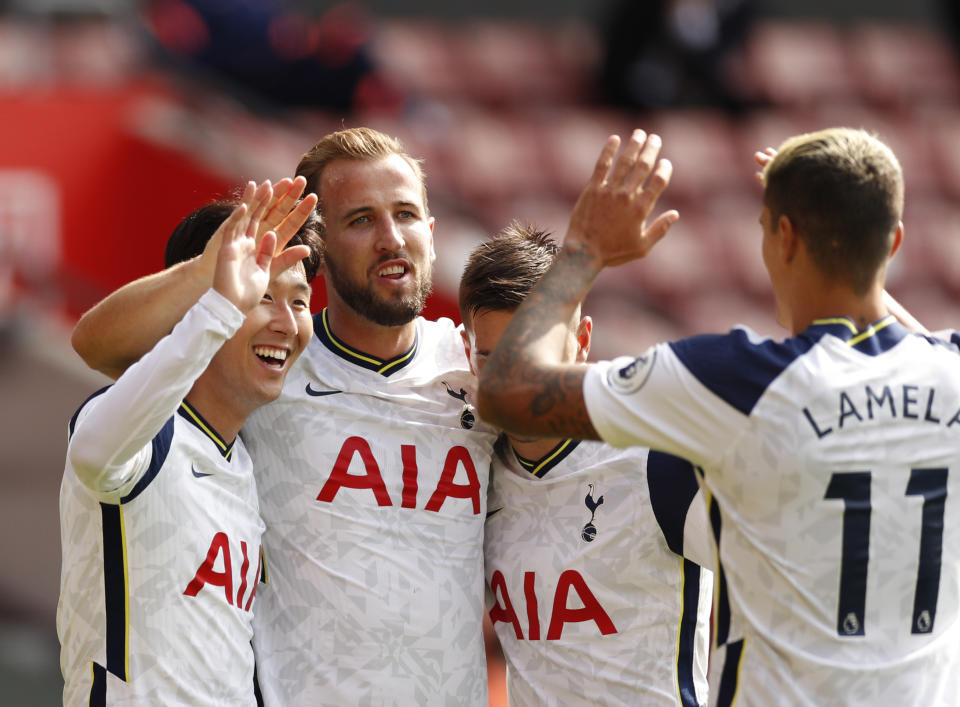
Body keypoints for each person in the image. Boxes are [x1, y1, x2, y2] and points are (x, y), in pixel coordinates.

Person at [477, 127, 960, 705]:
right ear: (895, 242)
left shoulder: (735, 379)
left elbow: (507, 390)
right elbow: (912, 350)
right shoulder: (949, 373)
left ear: (783, 237)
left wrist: (584, 250)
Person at [71, 127, 499, 706]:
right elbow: (97, 347)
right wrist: (210, 277)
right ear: (321, 244)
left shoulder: (479, 371)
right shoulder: (268, 369)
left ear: (431, 227)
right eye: (361, 220)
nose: (391, 238)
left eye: (406, 213)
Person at [57, 183, 321, 705]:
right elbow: (91, 452)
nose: (287, 322)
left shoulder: (246, 459)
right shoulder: (146, 434)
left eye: (299, 301)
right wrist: (217, 301)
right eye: (262, 296)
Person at [459, 223, 714, 706]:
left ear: (582, 341)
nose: (514, 386)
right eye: (492, 360)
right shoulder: (473, 466)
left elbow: (785, 574)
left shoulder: (658, 456)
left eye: (532, 360)